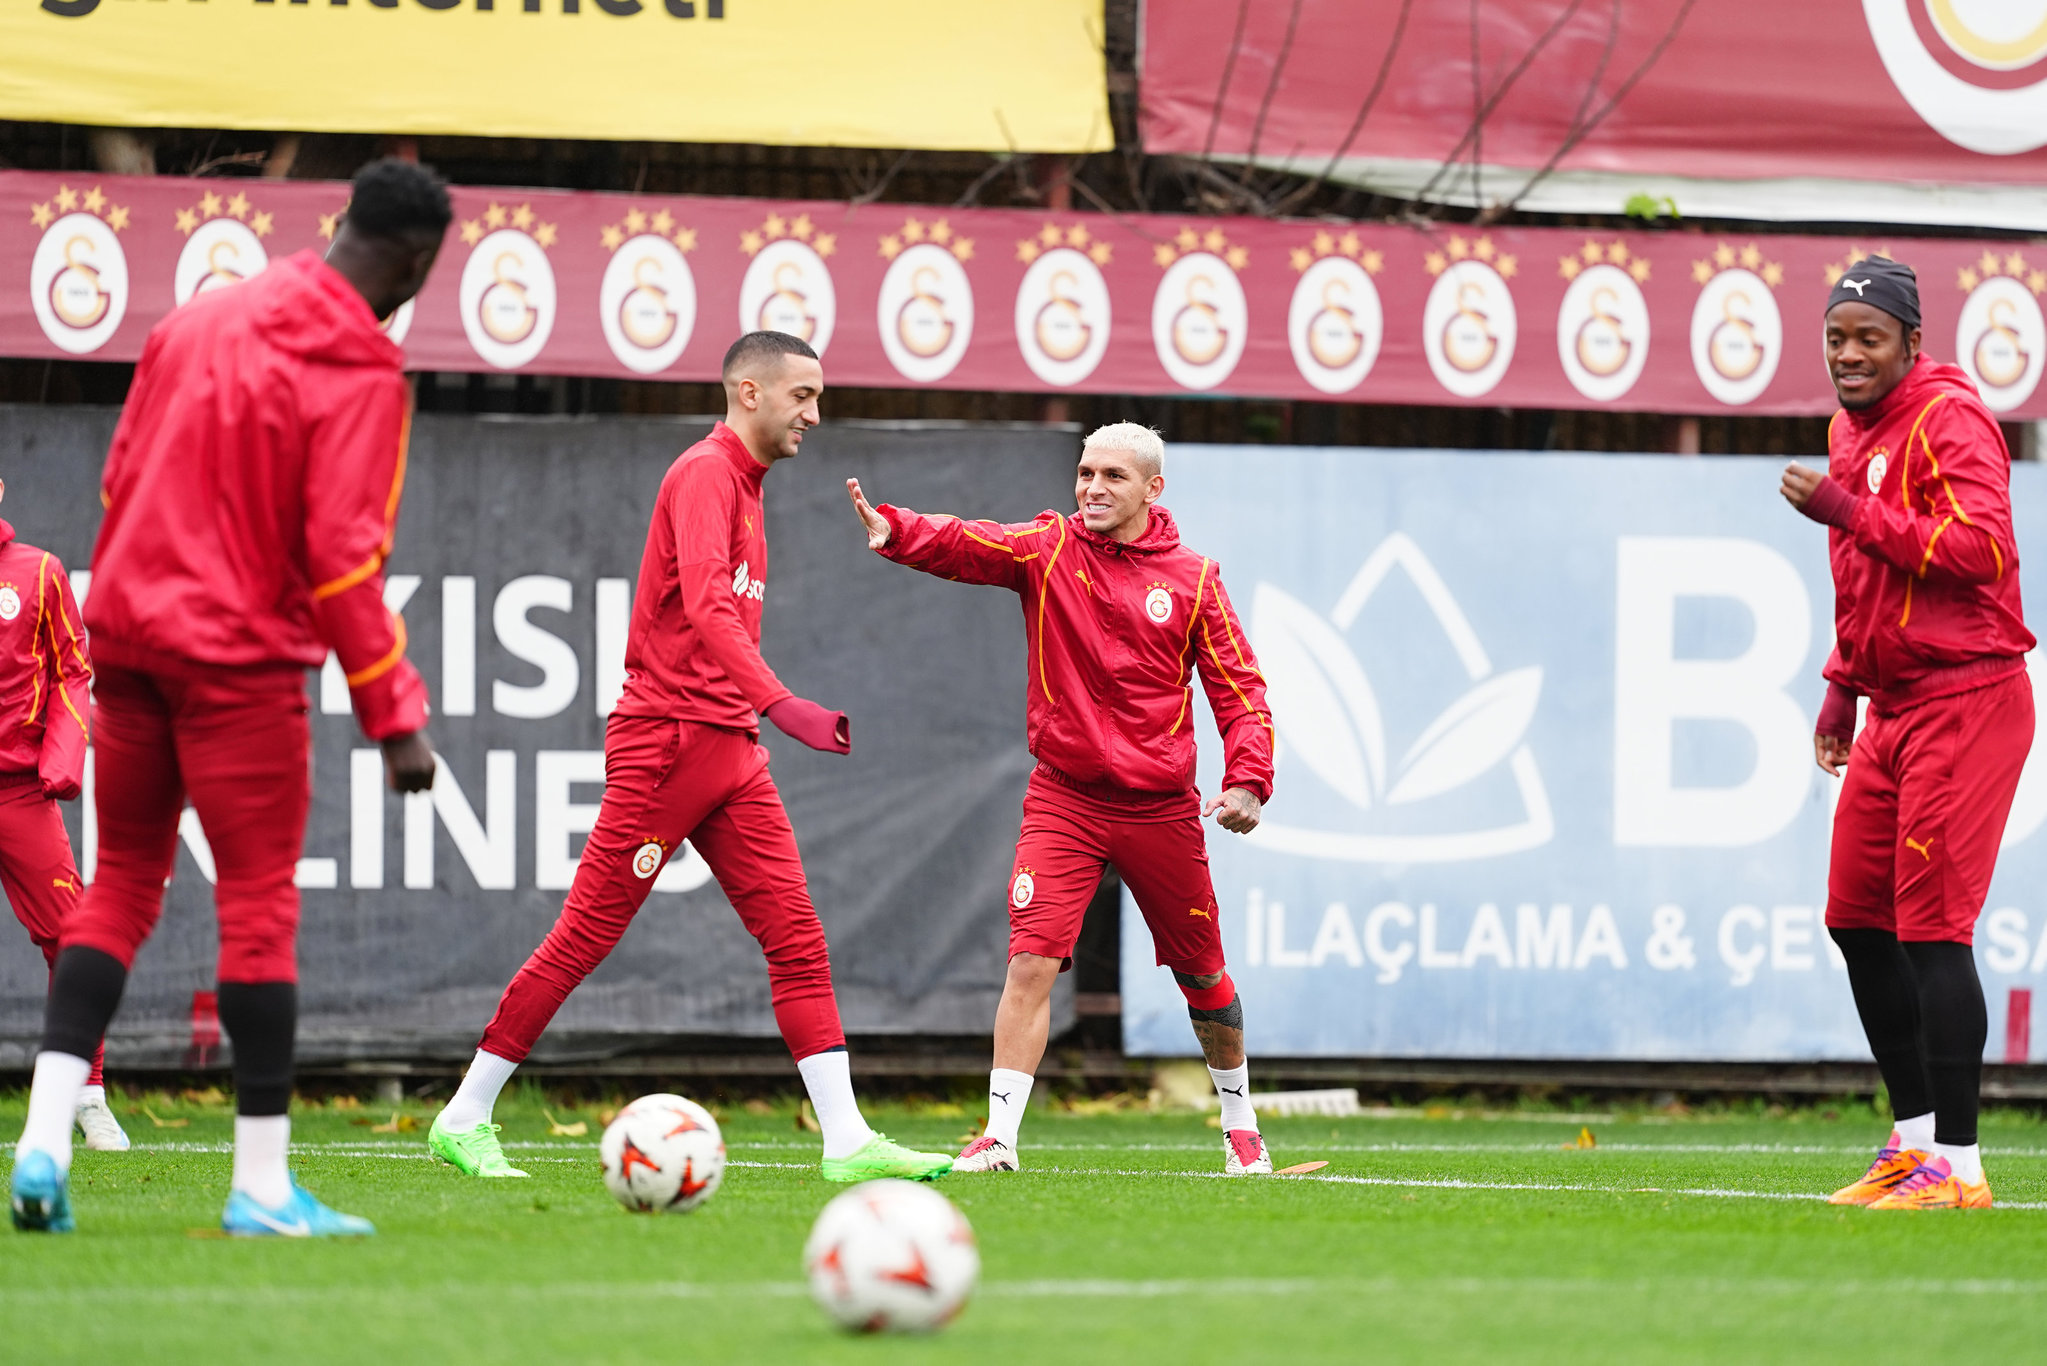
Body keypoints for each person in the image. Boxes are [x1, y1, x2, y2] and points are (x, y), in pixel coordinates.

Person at [10, 157, 449, 1237]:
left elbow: (119, 481)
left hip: (134, 637)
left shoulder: (198, 321)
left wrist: (120, 617)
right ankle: (260, 1187)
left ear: (339, 222)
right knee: (256, 908)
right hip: (239, 661)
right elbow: (344, 562)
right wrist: (395, 720)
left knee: (117, 887)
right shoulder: (360, 375)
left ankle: (38, 1143)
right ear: (419, 264)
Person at [427, 331, 951, 1185]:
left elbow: (716, 616)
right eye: (802, 396)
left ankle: (848, 1140)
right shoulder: (704, 473)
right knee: (586, 935)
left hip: (729, 748)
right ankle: (465, 1114)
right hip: (668, 742)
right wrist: (781, 701)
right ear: (749, 392)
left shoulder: (747, 486)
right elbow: (708, 606)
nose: (814, 415)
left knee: (797, 939)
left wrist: (755, 714)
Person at [848, 422, 1278, 1175]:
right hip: (1065, 799)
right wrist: (899, 532)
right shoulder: (1048, 550)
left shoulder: (1195, 579)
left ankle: (1239, 1122)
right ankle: (999, 1136)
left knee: (1202, 974)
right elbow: (969, 544)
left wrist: (1247, 778)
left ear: (1153, 489)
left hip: (1160, 809)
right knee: (1030, 962)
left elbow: (1242, 695)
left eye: (1113, 476)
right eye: (1084, 473)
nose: (1092, 489)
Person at [1782, 256, 2035, 1211]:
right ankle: (1915, 1144)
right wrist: (1841, 688)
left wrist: (1849, 506)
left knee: (1934, 933)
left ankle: (1960, 1170)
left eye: (1867, 339)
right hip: (1891, 704)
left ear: (1911, 344)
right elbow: (1862, 577)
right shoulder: (1851, 428)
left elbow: (1984, 552)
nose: (1847, 355)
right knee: (1854, 919)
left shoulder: (1949, 418)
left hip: (1966, 698)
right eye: (1836, 338)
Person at [0, 485, 125, 1152]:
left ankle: (87, 1093)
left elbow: (73, 670)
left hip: (18, 791)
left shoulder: (38, 572)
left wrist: (61, 753)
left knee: (75, 939)